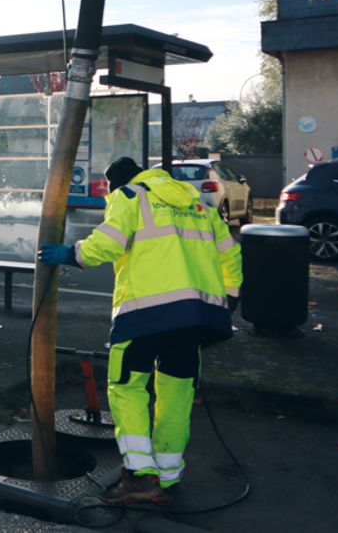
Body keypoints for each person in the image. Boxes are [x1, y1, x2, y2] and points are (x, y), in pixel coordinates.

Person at [38, 156, 242, 507]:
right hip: (196, 316)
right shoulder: (198, 204)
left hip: (144, 313)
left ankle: (140, 476)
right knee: (176, 395)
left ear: (116, 184)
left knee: (127, 387)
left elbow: (108, 243)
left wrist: (69, 254)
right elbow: (231, 256)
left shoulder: (130, 196)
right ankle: (167, 477)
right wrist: (227, 302)